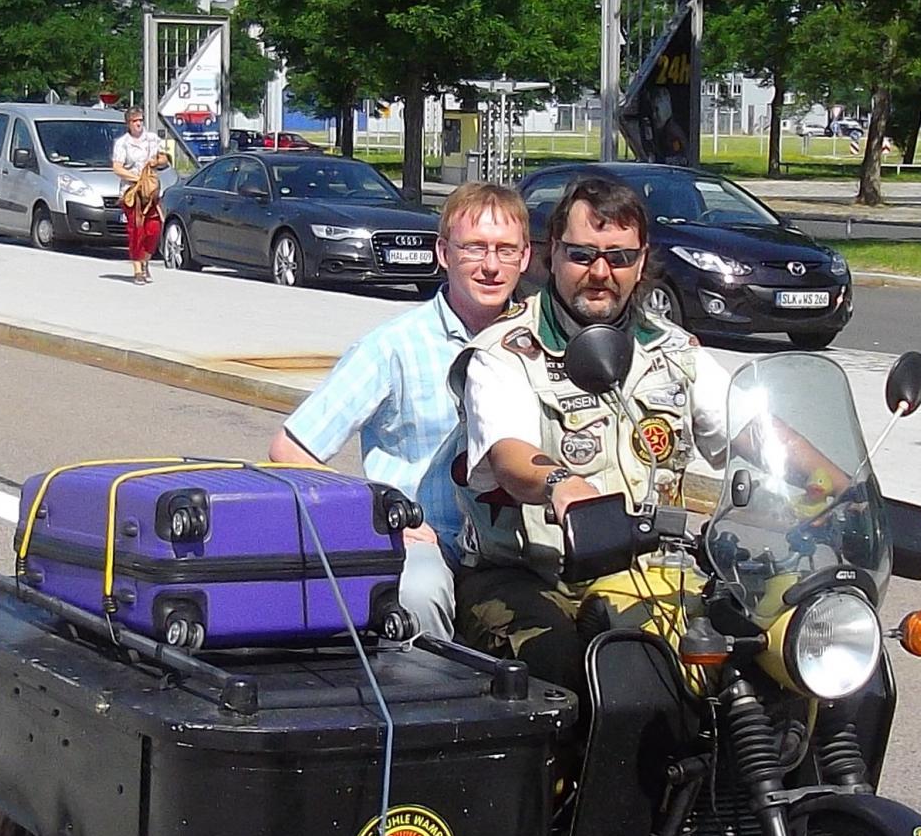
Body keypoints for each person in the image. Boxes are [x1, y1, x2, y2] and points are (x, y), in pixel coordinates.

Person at [446, 176, 736, 699]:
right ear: (552, 253)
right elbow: (510, 454)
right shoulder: (505, 353)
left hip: (656, 572)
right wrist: (561, 484)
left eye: (619, 258)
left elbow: (753, 433)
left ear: (641, 263)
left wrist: (825, 483)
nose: (601, 272)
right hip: (531, 575)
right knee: (558, 668)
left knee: (756, 643)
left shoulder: (676, 354)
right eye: (582, 255)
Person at [265, 182, 532, 642]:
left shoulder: (539, 342)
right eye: (474, 248)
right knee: (418, 591)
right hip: (427, 542)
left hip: (516, 546)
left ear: (525, 257)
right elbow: (289, 449)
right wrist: (376, 515)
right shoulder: (392, 347)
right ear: (443, 253)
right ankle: (430, 686)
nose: (491, 265)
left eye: (505, 250)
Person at [111, 109, 169, 283]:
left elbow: (165, 159)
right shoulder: (122, 143)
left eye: (140, 120)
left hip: (150, 192)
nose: (138, 123)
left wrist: (156, 161)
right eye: (135, 121)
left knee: (153, 230)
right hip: (132, 192)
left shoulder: (152, 139)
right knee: (137, 230)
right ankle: (138, 269)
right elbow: (117, 168)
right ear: (128, 123)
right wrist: (137, 179)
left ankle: (145, 260)